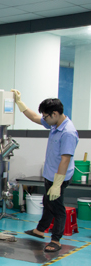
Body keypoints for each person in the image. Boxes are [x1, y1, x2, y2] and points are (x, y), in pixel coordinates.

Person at [12, 90, 79, 253]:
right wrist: (20, 103)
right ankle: (39, 230)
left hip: (59, 177)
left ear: (55, 114)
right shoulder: (55, 124)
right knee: (48, 202)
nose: (44, 119)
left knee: (57, 207)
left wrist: (57, 184)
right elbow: (35, 117)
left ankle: (56, 240)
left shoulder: (68, 132)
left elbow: (65, 160)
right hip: (50, 174)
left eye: (46, 116)